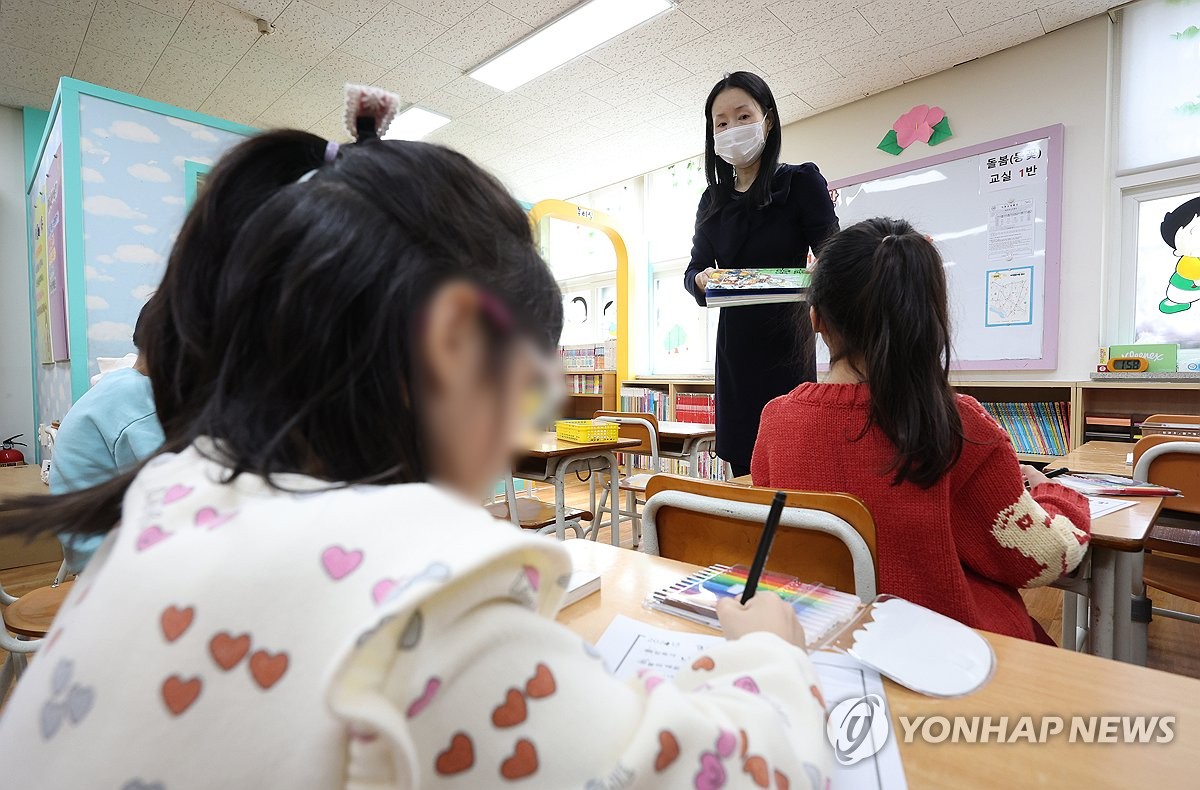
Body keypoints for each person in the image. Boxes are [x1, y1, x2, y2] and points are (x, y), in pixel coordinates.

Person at [0, 86, 831, 788]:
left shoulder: (166, 505)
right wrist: (770, 655)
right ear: (458, 344)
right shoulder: (440, 625)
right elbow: (762, 768)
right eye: (529, 381)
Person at [752, 218, 1091, 643]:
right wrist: (1054, 493)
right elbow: (1043, 557)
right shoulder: (959, 424)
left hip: (830, 646)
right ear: (928, 317)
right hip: (956, 661)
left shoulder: (776, 419)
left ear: (816, 318)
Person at [684, 72, 838, 478]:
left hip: (788, 345)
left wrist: (822, 270)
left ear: (767, 120)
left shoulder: (800, 182)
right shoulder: (712, 201)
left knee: (791, 464)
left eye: (743, 116)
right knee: (743, 471)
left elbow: (833, 252)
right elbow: (695, 268)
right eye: (721, 123)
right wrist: (700, 280)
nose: (732, 129)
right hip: (735, 352)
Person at [50, 300, 164, 573]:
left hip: (85, 546)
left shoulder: (121, 383)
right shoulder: (136, 401)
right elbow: (173, 478)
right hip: (108, 561)